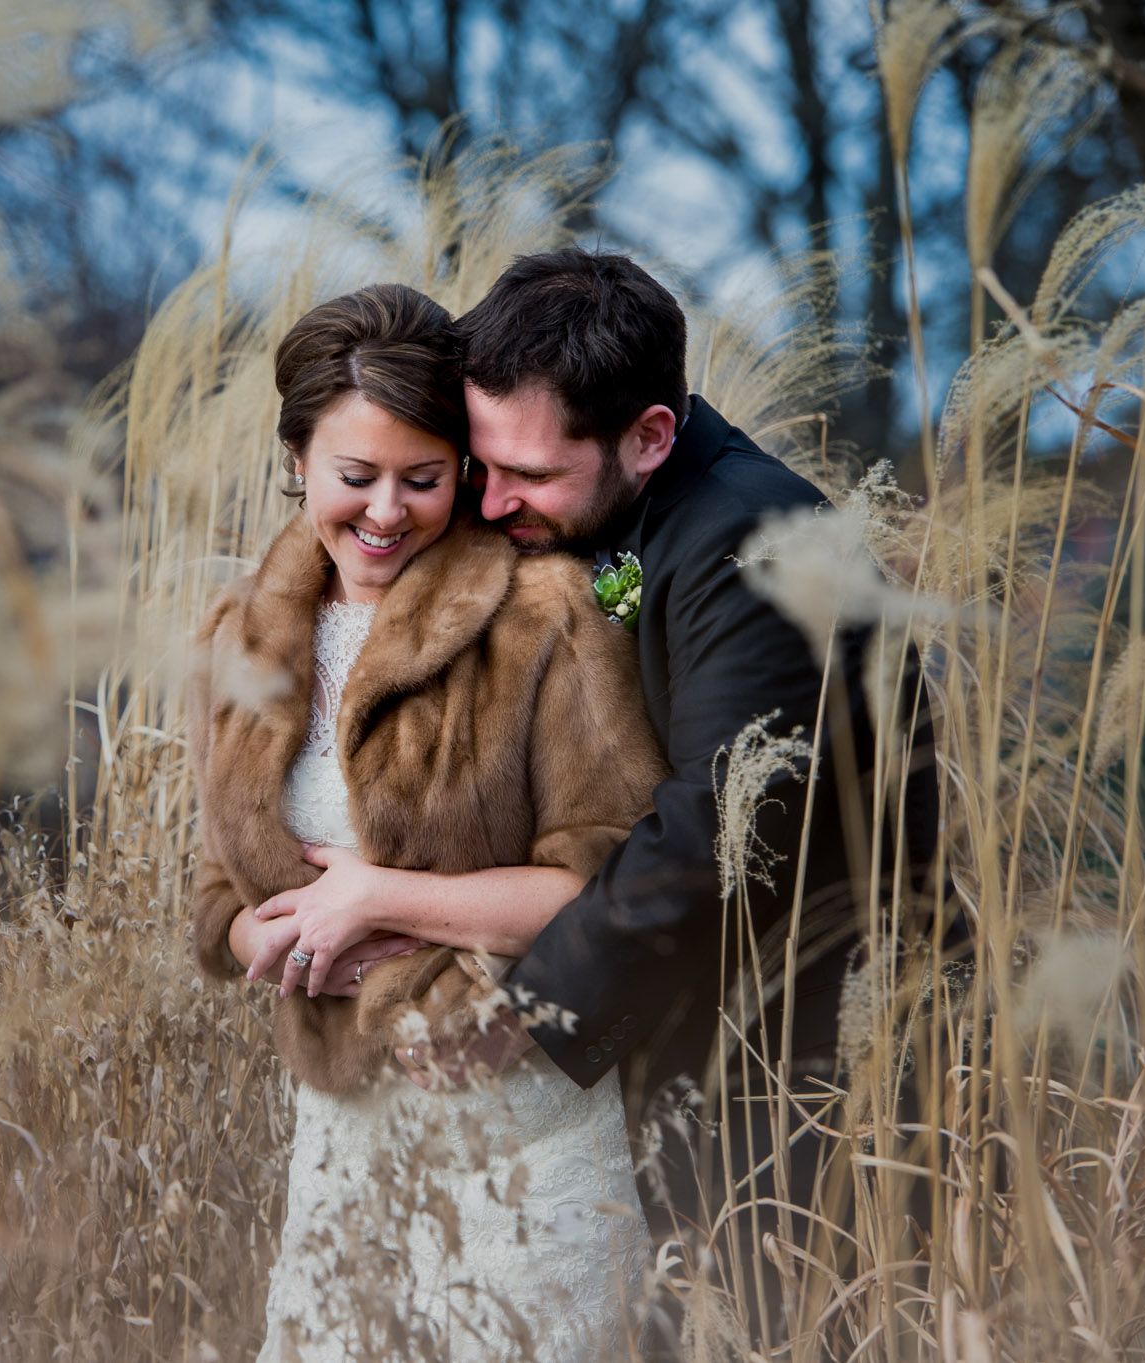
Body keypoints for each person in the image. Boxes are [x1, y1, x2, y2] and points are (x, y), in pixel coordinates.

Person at [261, 251, 943, 1339]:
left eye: (525, 473)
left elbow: (710, 833)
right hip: (689, 1047)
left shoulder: (754, 545)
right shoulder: (612, 513)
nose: (490, 501)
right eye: (478, 466)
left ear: (649, 436)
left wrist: (522, 1016)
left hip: (798, 1067)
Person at [186, 283, 669, 1361]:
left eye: (422, 478)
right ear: (297, 462)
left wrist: (379, 898)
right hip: (341, 1135)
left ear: (463, 471)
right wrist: (249, 933)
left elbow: (607, 874)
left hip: (518, 1133)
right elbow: (216, 879)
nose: (385, 510)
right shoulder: (237, 633)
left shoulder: (544, 615)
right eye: (353, 477)